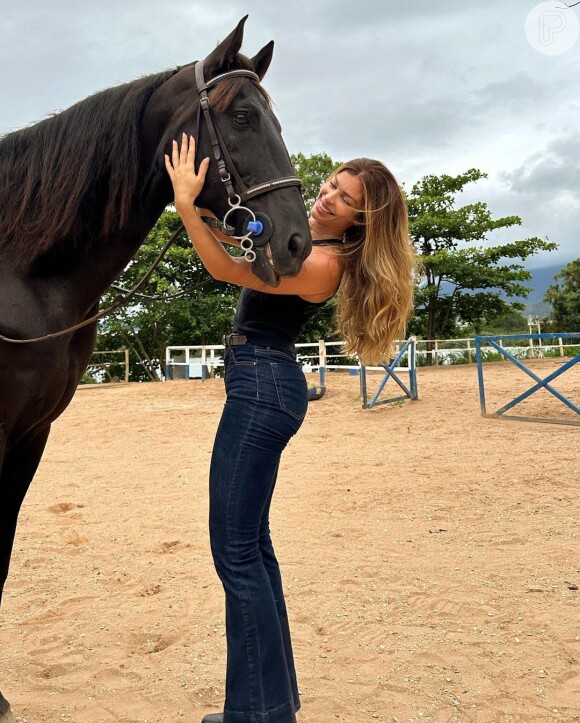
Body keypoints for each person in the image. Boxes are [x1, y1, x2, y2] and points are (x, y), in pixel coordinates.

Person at [165, 134, 415, 723]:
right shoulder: (304, 242)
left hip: (262, 387)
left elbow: (227, 269)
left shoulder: (322, 262)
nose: (326, 196)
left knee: (236, 554)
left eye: (344, 197)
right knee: (255, 549)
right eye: (330, 184)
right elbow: (243, 240)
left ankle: (257, 715)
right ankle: (270, 706)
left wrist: (182, 205)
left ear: (362, 219)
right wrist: (212, 211)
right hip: (265, 385)